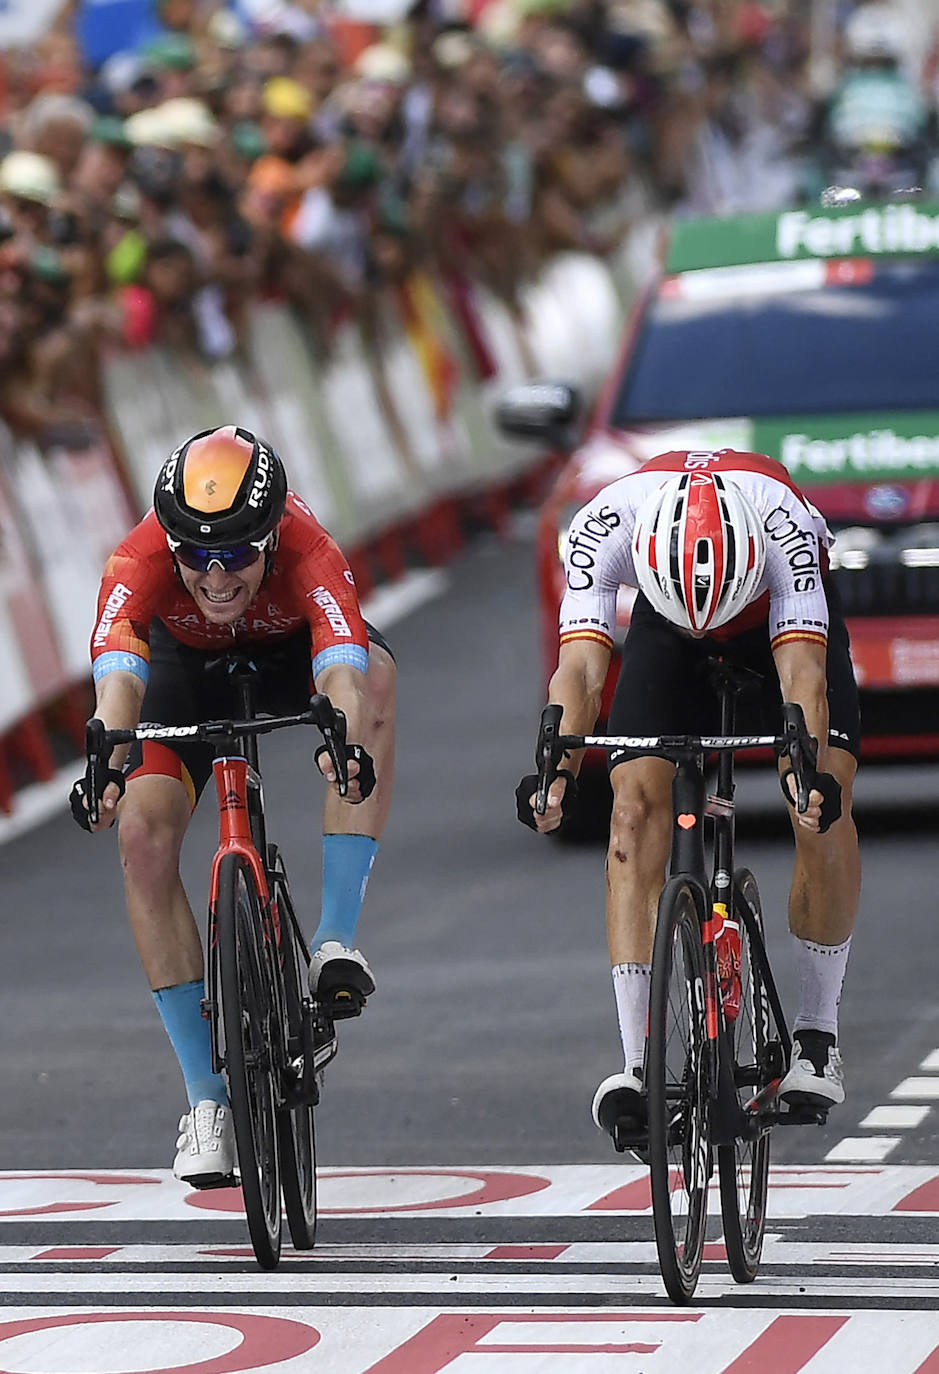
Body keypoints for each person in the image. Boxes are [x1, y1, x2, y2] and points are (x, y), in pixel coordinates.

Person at [71, 425, 395, 1185]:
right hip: (182, 670)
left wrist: (339, 735)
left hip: (290, 657)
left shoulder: (310, 547)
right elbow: (117, 683)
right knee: (142, 839)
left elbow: (342, 665)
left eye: (238, 557)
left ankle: (335, 941)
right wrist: (107, 765)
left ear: (273, 536)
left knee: (375, 679)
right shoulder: (137, 560)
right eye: (196, 557)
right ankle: (205, 1101)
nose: (215, 577)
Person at [516, 448, 861, 1151]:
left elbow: (802, 678)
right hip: (664, 623)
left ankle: (818, 1036)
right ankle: (638, 1066)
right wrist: (555, 767)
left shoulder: (784, 526)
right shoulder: (603, 526)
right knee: (630, 811)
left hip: (772, 621)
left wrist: (805, 774)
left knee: (821, 800)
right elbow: (579, 670)